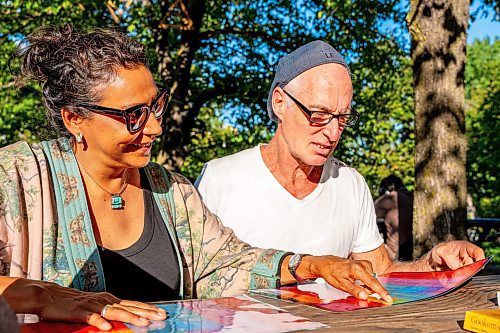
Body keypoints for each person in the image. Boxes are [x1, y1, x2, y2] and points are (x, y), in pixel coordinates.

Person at [0, 26, 396, 331]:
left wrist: (310, 265)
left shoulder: (172, 192)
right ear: (74, 118)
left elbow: (225, 265)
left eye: (156, 106)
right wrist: (36, 295)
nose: (154, 127)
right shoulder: (17, 178)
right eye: (133, 115)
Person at [195, 40, 484, 283]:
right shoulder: (221, 178)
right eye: (318, 115)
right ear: (279, 102)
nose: (332, 133)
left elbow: (381, 273)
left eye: (342, 119)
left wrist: (430, 264)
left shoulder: (349, 184)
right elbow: (192, 282)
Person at [374, 175, 413, 261]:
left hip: (395, 254)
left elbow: (366, 214)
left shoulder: (389, 198)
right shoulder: (411, 197)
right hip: (411, 250)